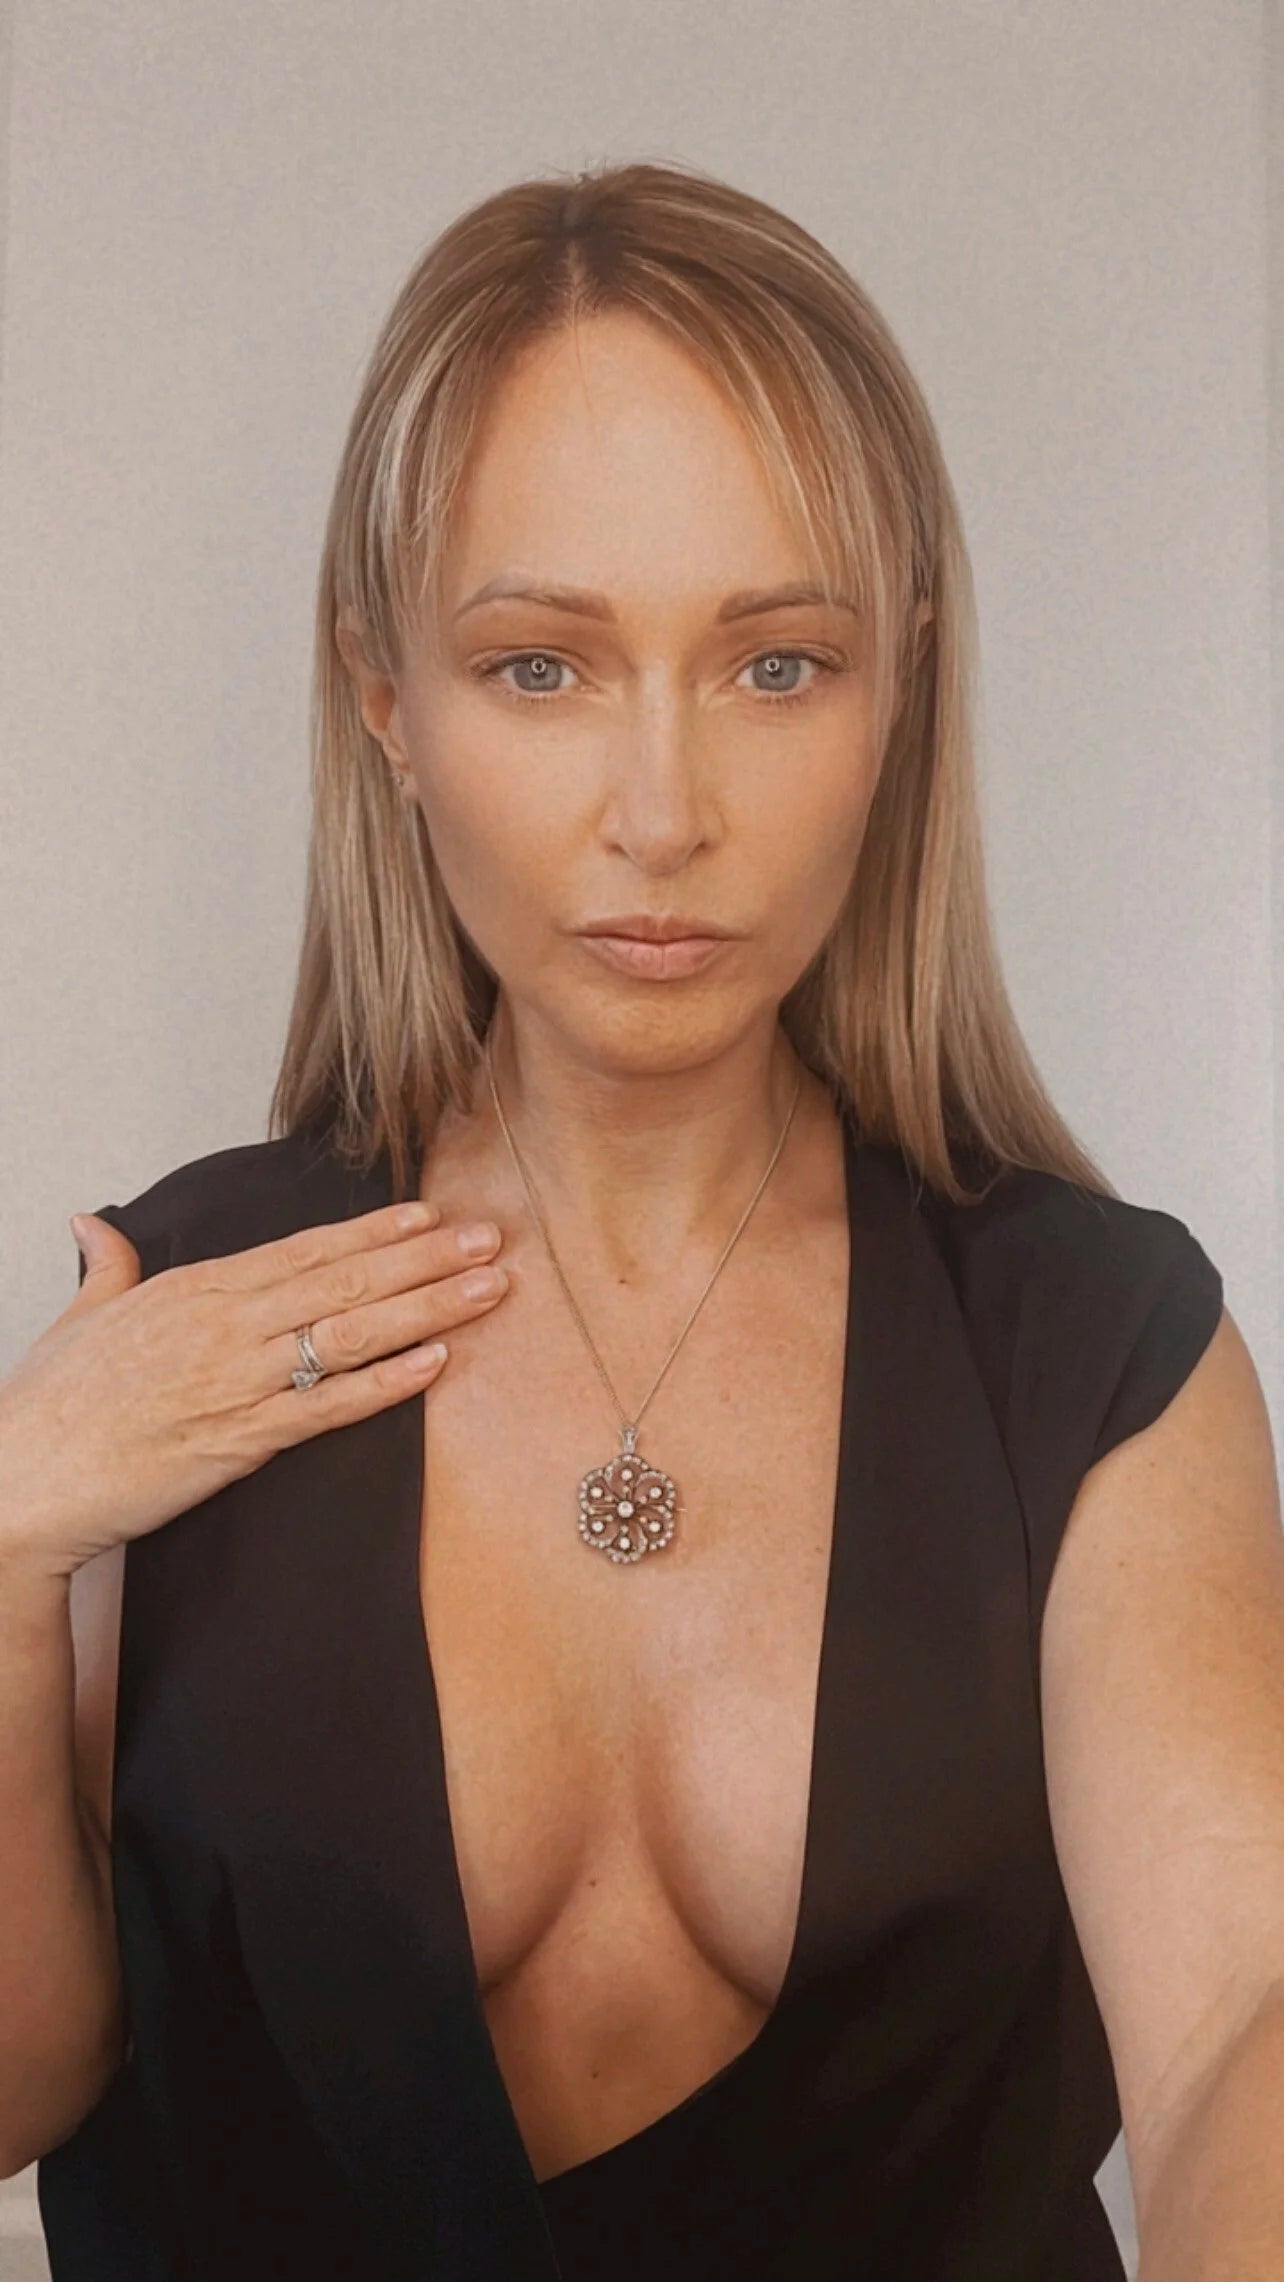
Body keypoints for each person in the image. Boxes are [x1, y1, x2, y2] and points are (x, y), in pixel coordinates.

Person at [2, 159, 1279, 2282]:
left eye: (778, 665)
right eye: (540, 668)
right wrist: (4, 1533)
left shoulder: (1095, 1354)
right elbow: (16, 2089)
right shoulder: (193, 1313)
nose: (666, 808)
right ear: (386, 701)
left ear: (899, 702)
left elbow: (1243, 2019)